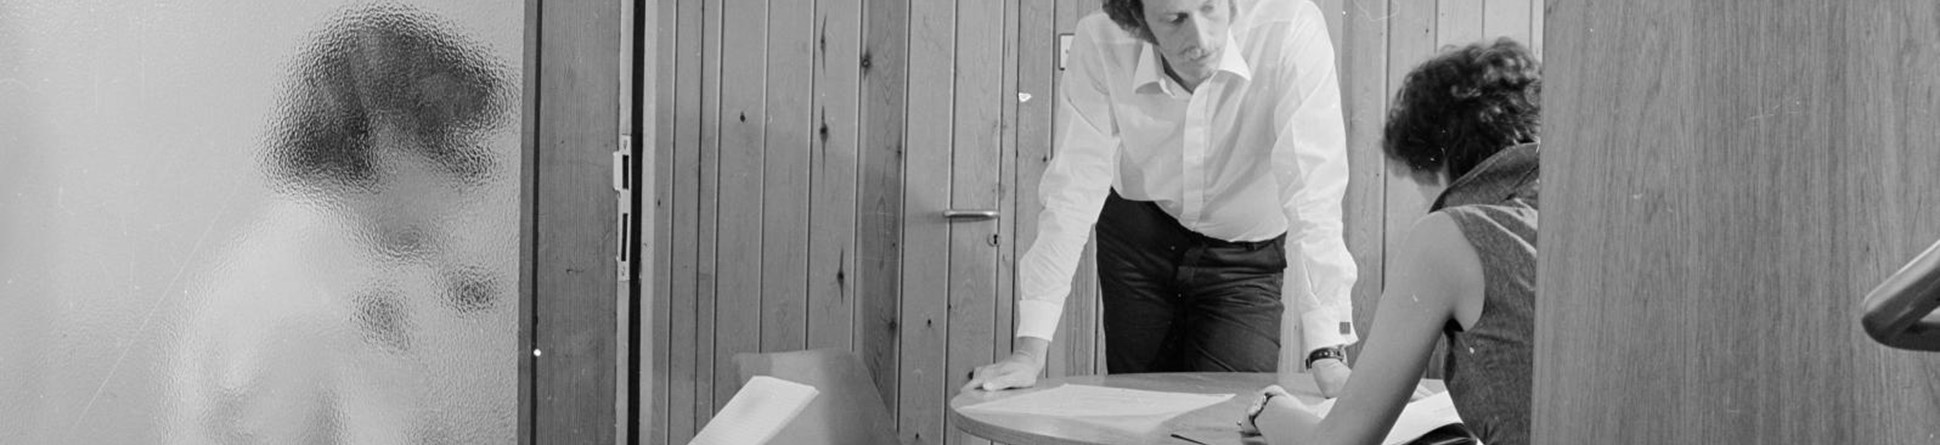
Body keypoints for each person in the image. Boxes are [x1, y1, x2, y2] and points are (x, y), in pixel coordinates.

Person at [965, 0, 1359, 396]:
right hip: (1139, 239)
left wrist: (1327, 350)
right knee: (1140, 410)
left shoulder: (1290, 28)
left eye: (1210, 9)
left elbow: (1314, 194)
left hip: (1246, 253)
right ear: (1138, 20)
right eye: (1175, 19)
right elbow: (1071, 191)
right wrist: (1029, 353)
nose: (1200, 39)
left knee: (1233, 414)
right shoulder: (1100, 40)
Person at [1242, 37, 1542, 445]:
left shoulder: (1452, 233)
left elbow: (1339, 443)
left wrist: (1269, 409)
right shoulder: (1580, 214)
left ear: (1436, 162)